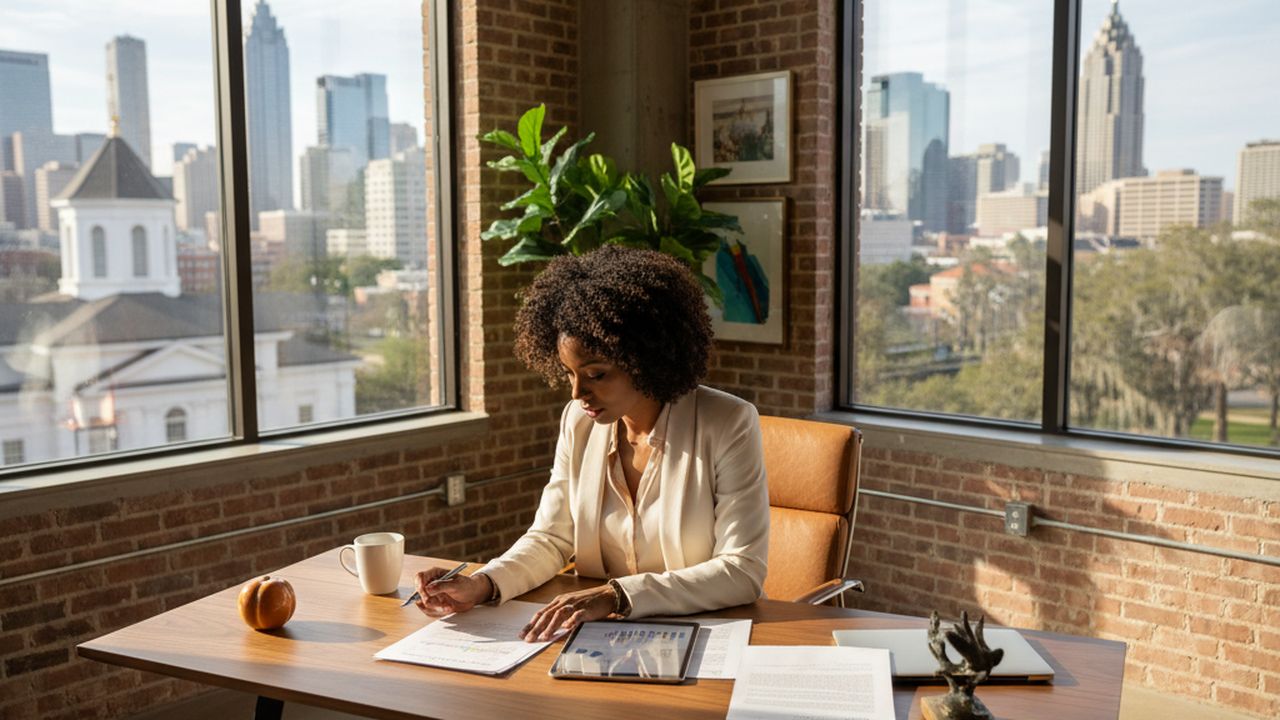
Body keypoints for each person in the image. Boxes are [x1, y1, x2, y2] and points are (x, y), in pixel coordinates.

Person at [412, 246, 769, 642]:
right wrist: (482, 584)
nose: (577, 392)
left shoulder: (727, 423)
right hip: (598, 638)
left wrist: (617, 595)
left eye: (596, 374)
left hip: (702, 636)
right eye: (569, 373)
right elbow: (551, 537)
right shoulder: (579, 423)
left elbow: (742, 570)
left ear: (644, 360)